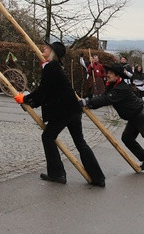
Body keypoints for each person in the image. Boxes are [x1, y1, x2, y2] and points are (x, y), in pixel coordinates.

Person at [15, 40, 105, 187]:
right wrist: (29, 102)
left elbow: (43, 90)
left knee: (48, 137)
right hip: (73, 110)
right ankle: (98, 177)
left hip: (64, 111)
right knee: (80, 142)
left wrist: (24, 98)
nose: (43, 49)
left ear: (52, 52)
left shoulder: (51, 67)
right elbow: (48, 92)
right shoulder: (56, 67)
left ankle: (57, 174)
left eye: (46, 48)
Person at [84, 62, 144, 179]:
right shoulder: (112, 86)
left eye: (110, 73)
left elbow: (107, 99)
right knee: (127, 138)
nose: (107, 75)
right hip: (134, 118)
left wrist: (88, 103)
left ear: (118, 76)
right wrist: (88, 104)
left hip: (142, 116)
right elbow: (103, 98)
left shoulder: (121, 88)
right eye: (108, 72)